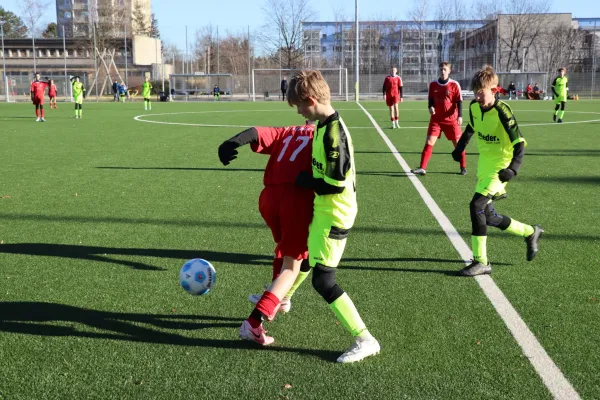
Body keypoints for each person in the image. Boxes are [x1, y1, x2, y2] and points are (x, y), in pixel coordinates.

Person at [287, 70, 380, 363]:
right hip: (324, 209)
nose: (299, 112)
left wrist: (307, 182)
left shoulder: (333, 134)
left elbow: (336, 184)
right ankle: (283, 298)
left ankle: (365, 338)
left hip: (336, 213)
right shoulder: (322, 125)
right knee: (305, 256)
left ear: (312, 100)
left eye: (300, 106)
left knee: (323, 281)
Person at [218, 122, 315, 346]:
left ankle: (277, 296)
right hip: (296, 201)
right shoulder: (322, 135)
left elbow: (254, 133)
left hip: (269, 199)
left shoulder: (287, 131)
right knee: (293, 265)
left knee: (286, 248)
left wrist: (230, 143)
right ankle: (253, 323)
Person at [450, 65, 544, 277]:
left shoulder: (503, 111)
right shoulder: (474, 107)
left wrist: (513, 169)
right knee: (489, 216)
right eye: (476, 93)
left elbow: (519, 144)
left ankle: (481, 261)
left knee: (477, 206)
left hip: (501, 165)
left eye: (482, 93)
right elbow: (470, 129)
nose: (478, 97)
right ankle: (530, 232)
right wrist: (459, 148)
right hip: (485, 164)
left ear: (494, 89)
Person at [411, 62, 466, 176]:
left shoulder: (454, 85)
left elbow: (459, 102)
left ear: (449, 71)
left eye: (445, 69)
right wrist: (430, 107)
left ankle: (463, 166)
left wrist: (460, 116)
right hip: (436, 119)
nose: (443, 71)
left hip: (451, 120)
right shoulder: (433, 85)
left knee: (458, 144)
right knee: (429, 142)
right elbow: (430, 100)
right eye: (441, 69)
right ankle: (422, 167)